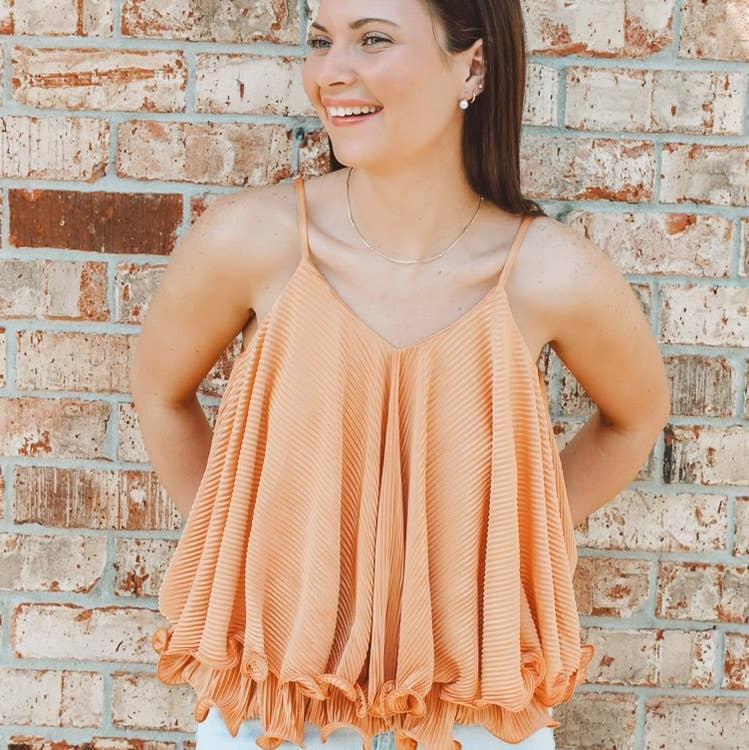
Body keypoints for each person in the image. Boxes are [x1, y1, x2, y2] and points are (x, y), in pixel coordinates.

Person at [130, 1, 671, 748]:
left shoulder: (550, 273)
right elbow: (160, 394)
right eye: (321, 41)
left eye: (373, 39)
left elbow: (635, 419)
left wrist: (501, 547)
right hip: (276, 704)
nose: (332, 72)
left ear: (473, 66)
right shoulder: (252, 241)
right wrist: (252, 551)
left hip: (469, 707)